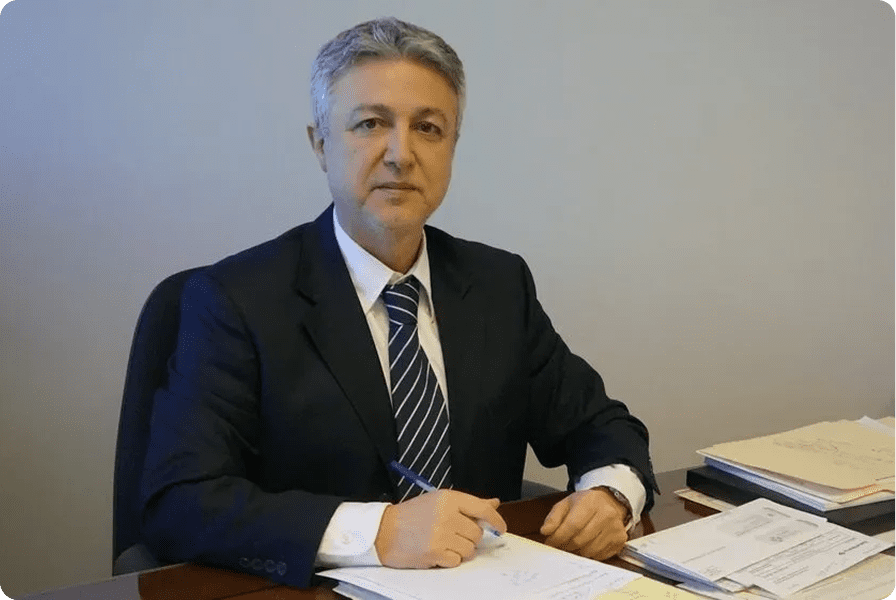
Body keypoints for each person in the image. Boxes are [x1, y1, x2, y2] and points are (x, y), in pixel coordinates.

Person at [140, 16, 658, 588]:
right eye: (370, 124)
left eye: (429, 128)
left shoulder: (497, 284)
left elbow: (602, 425)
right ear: (320, 145)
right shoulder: (235, 299)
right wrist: (377, 533)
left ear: (452, 147)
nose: (400, 154)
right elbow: (180, 501)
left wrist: (611, 495)